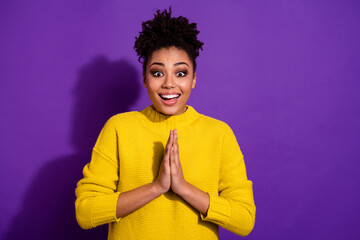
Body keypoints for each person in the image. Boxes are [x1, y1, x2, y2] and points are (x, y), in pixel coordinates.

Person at [75, 7, 256, 240]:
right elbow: (86, 211)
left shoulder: (219, 133)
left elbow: (244, 220)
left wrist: (183, 187)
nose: (169, 84)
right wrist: (156, 187)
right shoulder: (119, 128)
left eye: (180, 73)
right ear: (145, 79)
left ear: (194, 80)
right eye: (158, 73)